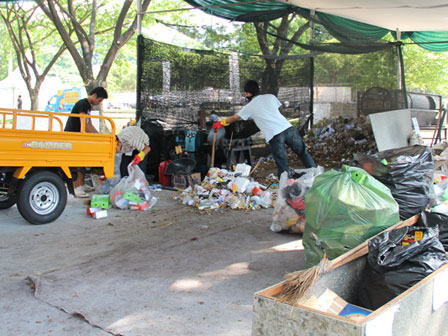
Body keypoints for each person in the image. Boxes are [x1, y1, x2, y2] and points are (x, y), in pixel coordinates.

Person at [212, 80, 316, 177]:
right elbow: (276, 110)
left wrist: (221, 123)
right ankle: (316, 175)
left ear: (248, 93)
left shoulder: (249, 107)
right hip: (289, 129)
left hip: (275, 135)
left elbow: (235, 118)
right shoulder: (271, 97)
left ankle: (285, 186)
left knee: (282, 162)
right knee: (303, 152)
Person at [64, 87, 108, 197]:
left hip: (79, 137)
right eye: (99, 100)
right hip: (73, 137)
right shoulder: (83, 103)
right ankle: (75, 187)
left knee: (83, 161)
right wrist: (85, 132)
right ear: (94, 95)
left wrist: (99, 136)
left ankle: (82, 184)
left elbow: (90, 123)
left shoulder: (88, 106)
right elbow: (83, 121)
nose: (98, 103)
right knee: (76, 162)